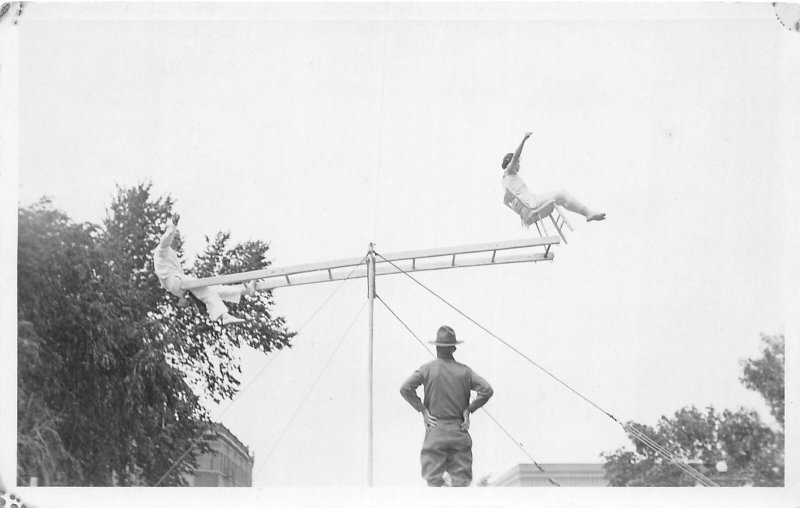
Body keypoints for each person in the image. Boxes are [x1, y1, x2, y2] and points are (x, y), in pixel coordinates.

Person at [400, 326, 494, 487]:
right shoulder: (465, 372)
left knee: (433, 483)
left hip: (435, 429)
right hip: (459, 430)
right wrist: (469, 410)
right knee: (461, 485)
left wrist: (423, 410)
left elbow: (405, 388)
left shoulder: (426, 369)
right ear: (454, 348)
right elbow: (487, 390)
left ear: (436, 347)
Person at [153, 213, 256, 326]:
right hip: (175, 281)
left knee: (212, 289)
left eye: (179, 239)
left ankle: (245, 291)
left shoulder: (172, 254)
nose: (178, 241)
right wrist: (173, 225)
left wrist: (183, 297)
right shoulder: (161, 250)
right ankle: (224, 315)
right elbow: (165, 239)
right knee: (207, 289)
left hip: (179, 283)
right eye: (175, 238)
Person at [502, 131, 606, 222]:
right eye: (518, 162)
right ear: (511, 163)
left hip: (528, 206)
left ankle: (587, 213)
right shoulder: (508, 172)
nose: (519, 164)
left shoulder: (507, 179)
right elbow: (515, 157)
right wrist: (524, 139)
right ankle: (588, 213)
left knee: (561, 199)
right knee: (562, 193)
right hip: (529, 207)